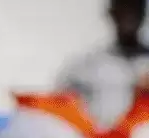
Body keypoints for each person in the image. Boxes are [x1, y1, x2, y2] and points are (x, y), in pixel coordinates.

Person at [57, 0, 149, 128]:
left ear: (143, 14)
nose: (129, 15)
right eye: (123, 9)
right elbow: (60, 107)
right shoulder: (86, 69)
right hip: (99, 137)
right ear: (112, 13)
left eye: (134, 10)